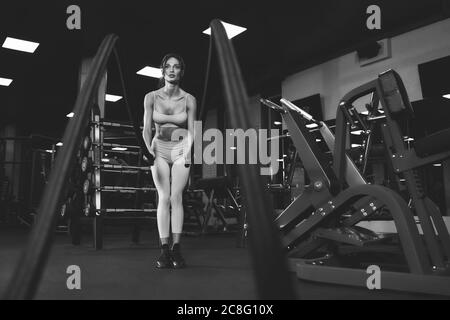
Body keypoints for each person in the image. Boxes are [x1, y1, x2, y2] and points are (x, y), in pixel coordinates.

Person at [142, 53, 196, 269]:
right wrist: (149, 152)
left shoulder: (189, 99)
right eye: (168, 66)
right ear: (163, 70)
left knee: (176, 197)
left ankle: (176, 248)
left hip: (181, 149)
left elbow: (192, 131)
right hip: (159, 150)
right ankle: (164, 249)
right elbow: (146, 129)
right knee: (163, 197)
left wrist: (189, 152)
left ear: (181, 71)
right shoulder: (151, 97)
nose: (172, 70)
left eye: (176, 67)